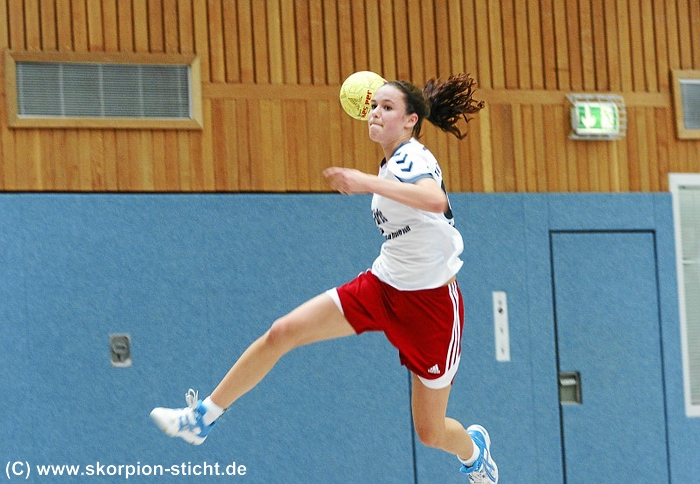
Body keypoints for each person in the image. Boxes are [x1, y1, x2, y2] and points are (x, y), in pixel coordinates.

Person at [150, 73, 498, 483]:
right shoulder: (391, 163)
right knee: (283, 332)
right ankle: (202, 417)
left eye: (388, 107)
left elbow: (434, 200)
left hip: (431, 306)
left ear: (410, 121)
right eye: (374, 105)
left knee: (431, 433)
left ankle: (475, 453)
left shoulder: (411, 157)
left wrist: (363, 181)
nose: (376, 112)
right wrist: (371, 179)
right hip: (384, 285)